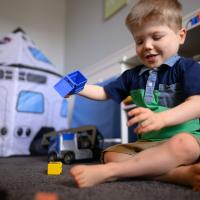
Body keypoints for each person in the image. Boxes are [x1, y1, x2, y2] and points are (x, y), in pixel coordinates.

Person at [69, 0, 200, 189]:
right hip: (148, 144)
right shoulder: (132, 75)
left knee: (184, 145)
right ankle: (177, 174)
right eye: (139, 41)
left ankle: (111, 172)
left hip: (184, 138)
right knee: (110, 154)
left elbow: (197, 104)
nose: (147, 45)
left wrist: (163, 118)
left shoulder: (188, 68)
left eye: (156, 36)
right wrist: (78, 88)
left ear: (181, 36)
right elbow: (104, 92)